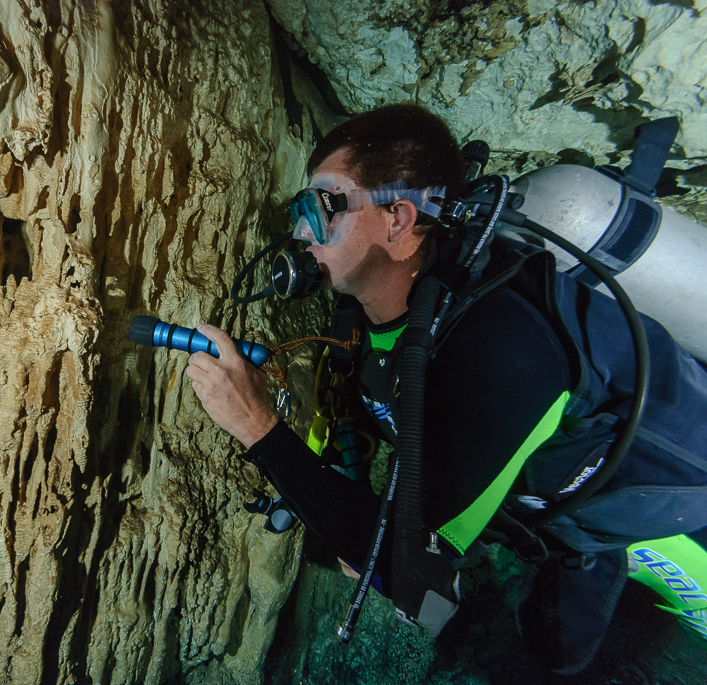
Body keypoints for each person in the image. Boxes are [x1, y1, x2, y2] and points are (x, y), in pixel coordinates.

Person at [184, 103, 707, 674]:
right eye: (299, 210)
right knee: (554, 655)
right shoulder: (361, 318)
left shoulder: (504, 345)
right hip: (554, 511)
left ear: (398, 219)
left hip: (673, 496)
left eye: (321, 208)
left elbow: (412, 579)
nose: (299, 233)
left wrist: (255, 423)